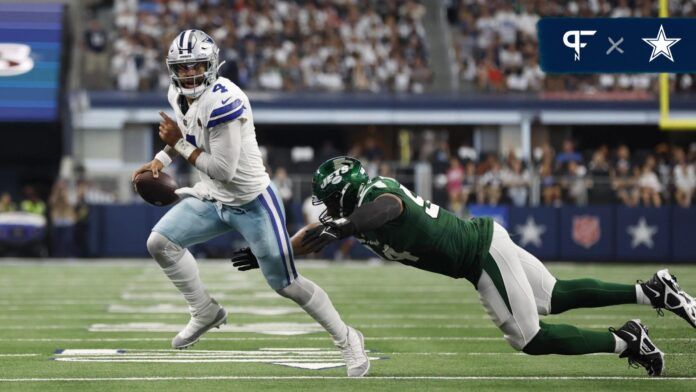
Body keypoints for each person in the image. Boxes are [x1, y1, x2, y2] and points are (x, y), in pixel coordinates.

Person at [232, 156, 696, 377]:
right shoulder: (350, 212)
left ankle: (625, 341)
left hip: (480, 256)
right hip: (485, 241)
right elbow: (312, 238)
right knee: (553, 296)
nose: (325, 208)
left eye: (327, 198)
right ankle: (652, 291)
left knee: (528, 338)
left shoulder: (374, 198)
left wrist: (344, 228)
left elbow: (390, 208)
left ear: (341, 190)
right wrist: (267, 250)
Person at [131, 31, 368, 377]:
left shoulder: (225, 100)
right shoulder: (177, 94)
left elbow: (223, 169)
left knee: (287, 284)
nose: (188, 74)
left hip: (251, 201)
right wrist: (160, 160)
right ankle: (205, 311)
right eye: (182, 68)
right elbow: (186, 136)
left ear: (211, 65)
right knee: (160, 243)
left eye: (195, 66)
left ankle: (348, 338)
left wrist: (178, 146)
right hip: (213, 197)